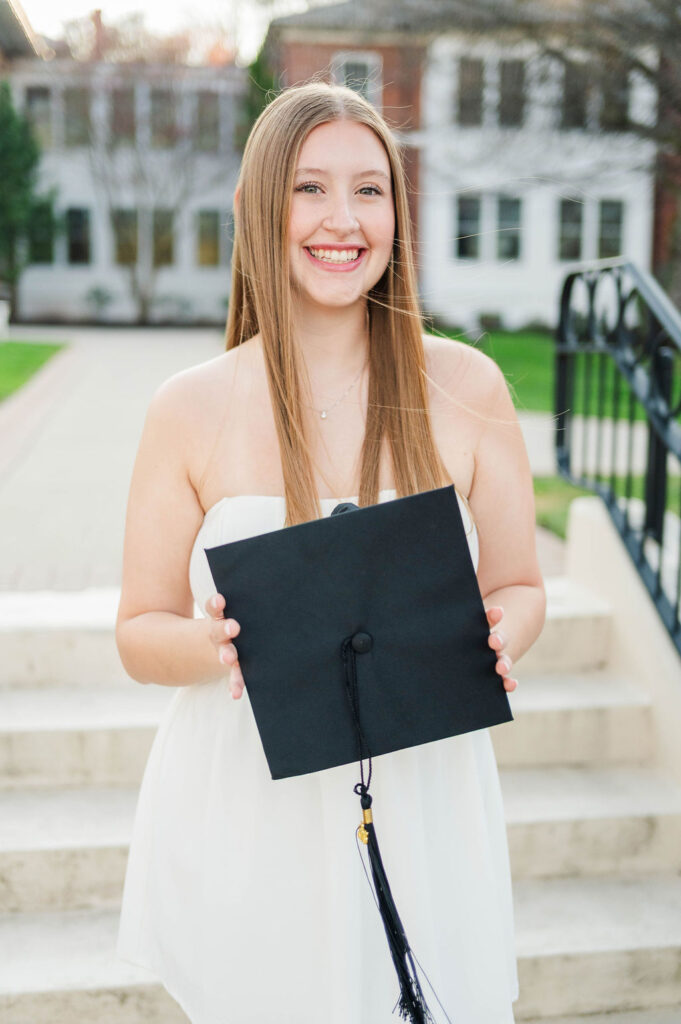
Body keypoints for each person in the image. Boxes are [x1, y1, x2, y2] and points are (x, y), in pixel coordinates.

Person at [115, 81, 545, 1024]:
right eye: (308, 188)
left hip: (424, 789)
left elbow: (517, 581)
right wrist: (212, 642)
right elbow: (139, 630)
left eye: (368, 189)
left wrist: (499, 632)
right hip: (249, 795)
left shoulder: (466, 387)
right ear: (256, 207)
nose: (341, 220)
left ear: (397, 211)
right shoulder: (187, 407)